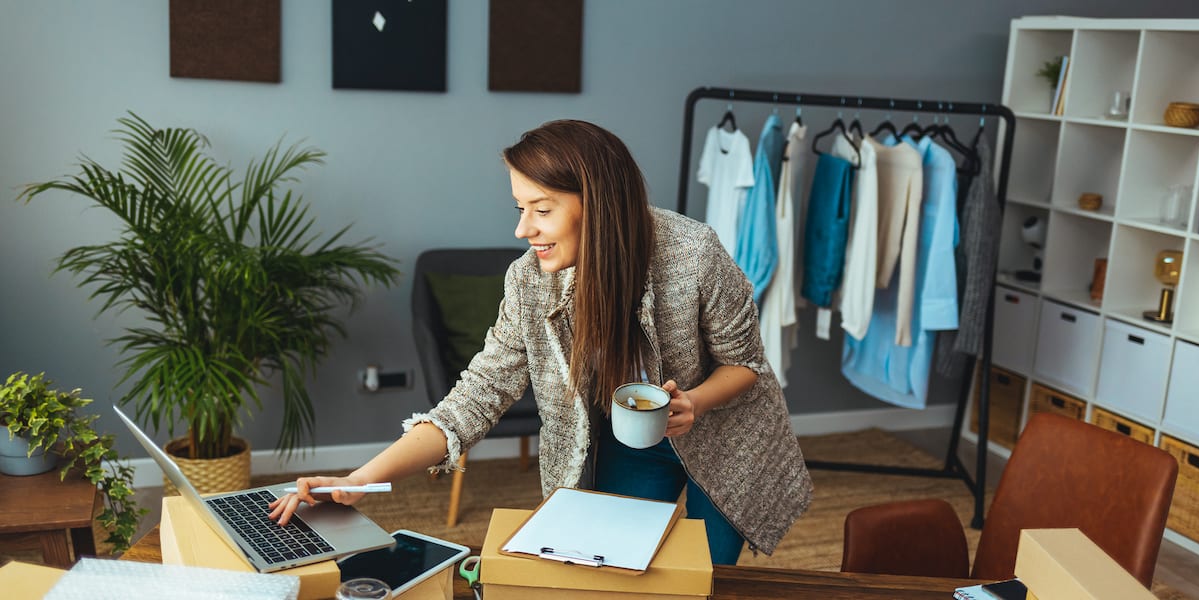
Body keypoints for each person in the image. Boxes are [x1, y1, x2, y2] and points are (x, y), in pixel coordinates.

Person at [269, 119, 813, 564]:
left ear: (597, 203)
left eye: (542, 209)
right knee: (615, 568)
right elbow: (476, 396)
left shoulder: (694, 255)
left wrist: (695, 401)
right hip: (629, 438)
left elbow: (745, 364)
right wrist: (363, 479)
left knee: (704, 575)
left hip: (723, 435)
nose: (522, 229)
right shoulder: (529, 281)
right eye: (519, 208)